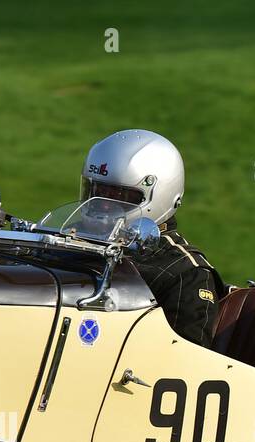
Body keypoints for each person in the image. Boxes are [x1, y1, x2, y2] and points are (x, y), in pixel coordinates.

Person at [80, 129, 225, 348]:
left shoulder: (186, 273)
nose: (104, 205)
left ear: (161, 194)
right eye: (96, 192)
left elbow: (186, 361)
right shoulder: (69, 238)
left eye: (118, 196)